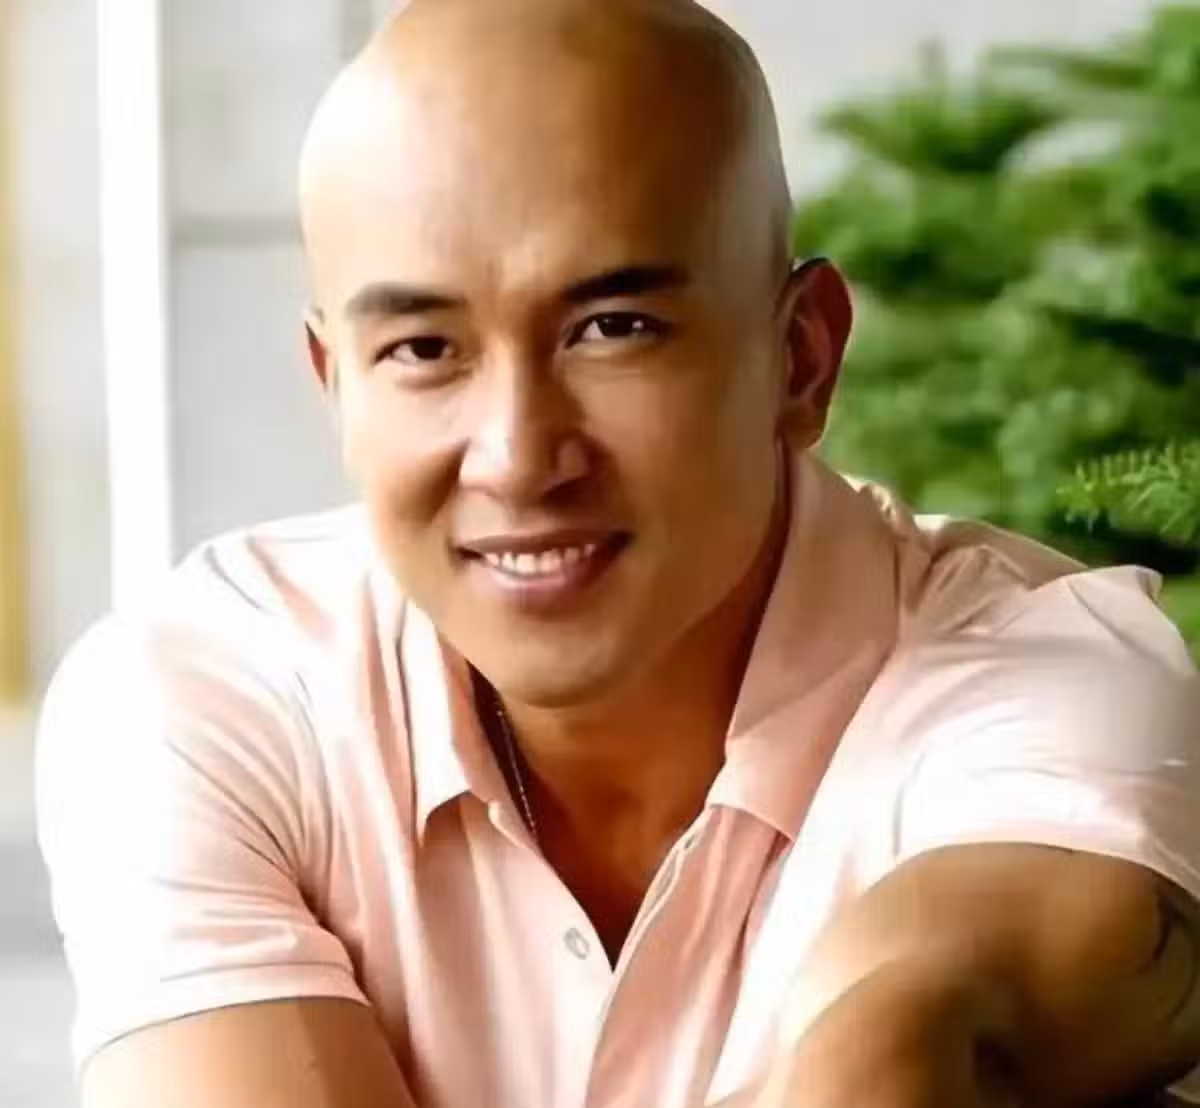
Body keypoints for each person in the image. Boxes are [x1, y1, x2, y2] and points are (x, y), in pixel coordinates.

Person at [36, 0, 1200, 1105]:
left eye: (613, 328)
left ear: (801, 358)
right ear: (334, 383)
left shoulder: (1037, 680)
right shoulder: (212, 696)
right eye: (425, 349)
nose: (517, 457)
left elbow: (891, 1054)